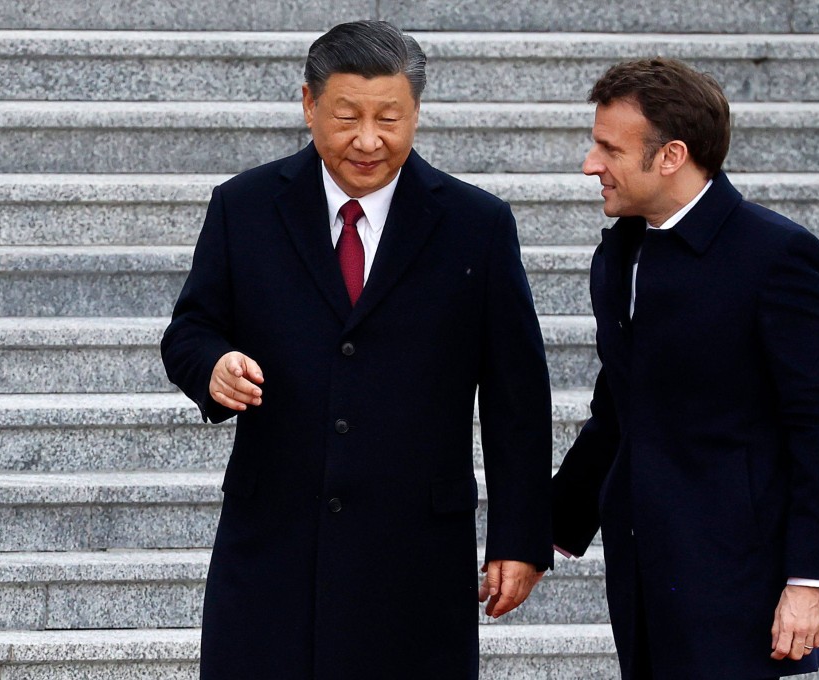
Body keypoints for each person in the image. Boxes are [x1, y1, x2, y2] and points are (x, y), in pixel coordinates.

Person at [161, 20, 552, 679]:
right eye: (346, 116)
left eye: (390, 119)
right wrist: (214, 366)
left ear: (416, 113)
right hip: (273, 546)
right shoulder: (246, 206)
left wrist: (520, 538)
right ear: (309, 103)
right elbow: (191, 329)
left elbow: (518, 392)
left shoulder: (476, 225)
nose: (368, 141)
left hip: (416, 553)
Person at [551, 58, 819, 679]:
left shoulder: (775, 255)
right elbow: (619, 408)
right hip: (641, 567)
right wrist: (549, 528)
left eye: (609, 148)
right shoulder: (620, 253)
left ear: (671, 156)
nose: (590, 164)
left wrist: (810, 582)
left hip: (735, 578)